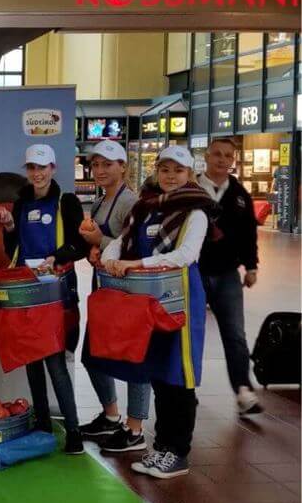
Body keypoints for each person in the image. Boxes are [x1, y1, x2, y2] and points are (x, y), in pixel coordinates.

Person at [102, 145, 218, 479]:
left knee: (179, 377)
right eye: (165, 170)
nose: (170, 176)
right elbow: (122, 239)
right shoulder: (146, 208)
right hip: (148, 303)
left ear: (190, 174)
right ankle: (163, 447)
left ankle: (178, 452)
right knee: (160, 375)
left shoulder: (195, 212)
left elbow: (185, 255)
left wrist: (136, 263)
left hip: (179, 301)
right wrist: (111, 256)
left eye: (178, 171)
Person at [0, 144, 88, 455]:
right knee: (31, 357)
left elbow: (81, 245)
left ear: (53, 168)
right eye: (32, 168)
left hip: (57, 289)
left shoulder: (67, 202)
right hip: (27, 288)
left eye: (42, 167)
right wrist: (9, 227)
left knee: (54, 360)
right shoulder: (20, 205)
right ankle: (43, 422)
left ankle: (73, 431)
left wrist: (56, 257)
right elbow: (13, 249)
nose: (37, 173)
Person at [77, 141, 151, 453]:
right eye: (96, 165)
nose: (100, 170)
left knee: (135, 358)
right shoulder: (98, 203)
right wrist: (92, 250)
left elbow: (135, 249)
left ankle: (135, 429)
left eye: (108, 164)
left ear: (123, 166)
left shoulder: (130, 203)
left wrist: (100, 240)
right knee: (93, 355)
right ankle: (110, 416)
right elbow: (105, 248)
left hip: (128, 294)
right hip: (105, 289)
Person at [197, 138, 263, 416]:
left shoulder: (239, 195)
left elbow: (249, 233)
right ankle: (186, 388)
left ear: (233, 160)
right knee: (189, 333)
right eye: (217, 154)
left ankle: (243, 389)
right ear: (206, 156)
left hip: (226, 274)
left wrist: (251, 266)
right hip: (194, 273)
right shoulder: (191, 189)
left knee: (235, 333)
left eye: (227, 156)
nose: (222, 160)